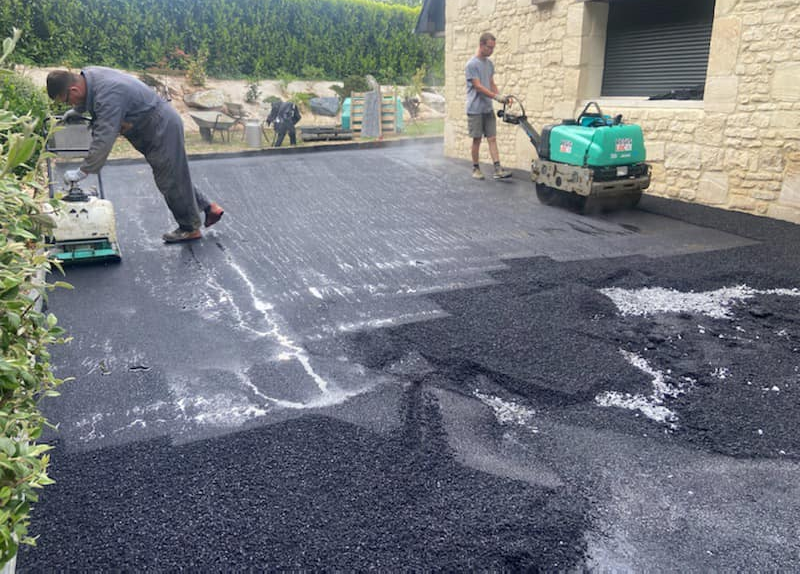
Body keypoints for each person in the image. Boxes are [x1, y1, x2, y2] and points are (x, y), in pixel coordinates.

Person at [46, 67, 224, 243]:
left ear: (74, 89)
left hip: (160, 127)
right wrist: (77, 110)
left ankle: (189, 228)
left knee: (168, 179)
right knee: (173, 174)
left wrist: (84, 170)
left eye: (68, 101)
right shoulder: (89, 75)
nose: (70, 104)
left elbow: (104, 136)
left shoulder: (108, 94)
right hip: (154, 124)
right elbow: (91, 96)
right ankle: (210, 208)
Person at [465, 32, 512, 180]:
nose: (492, 51)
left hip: (487, 108)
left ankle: (498, 169)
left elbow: (491, 84)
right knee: (477, 139)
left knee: (492, 138)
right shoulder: (471, 65)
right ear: (481, 45)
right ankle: (475, 168)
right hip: (475, 109)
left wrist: (501, 97)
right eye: (489, 48)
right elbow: (478, 87)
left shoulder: (489, 64)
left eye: (493, 48)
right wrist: (496, 97)